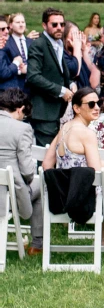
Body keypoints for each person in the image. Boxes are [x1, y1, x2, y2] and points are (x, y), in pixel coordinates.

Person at [42, 87, 104, 256]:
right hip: (86, 196)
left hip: (64, 194)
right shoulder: (86, 133)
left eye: (98, 103)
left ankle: (103, 241)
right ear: (76, 108)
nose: (97, 108)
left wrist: (64, 180)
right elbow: (96, 172)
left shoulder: (64, 128)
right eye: (91, 104)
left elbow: (47, 165)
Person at [0, 88, 43, 255]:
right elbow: (26, 171)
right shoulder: (22, 129)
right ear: (19, 109)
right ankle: (37, 244)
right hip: (9, 194)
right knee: (40, 185)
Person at [26, 8, 73, 147]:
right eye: (54, 24)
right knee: (47, 156)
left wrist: (69, 84)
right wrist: (62, 91)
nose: (59, 28)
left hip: (57, 110)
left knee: (54, 154)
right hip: (43, 111)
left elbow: (56, 73)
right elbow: (33, 76)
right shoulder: (38, 44)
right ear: (44, 25)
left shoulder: (58, 44)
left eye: (62, 24)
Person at [0, 12, 33, 90]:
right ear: (11, 25)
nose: (6, 31)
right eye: (18, 22)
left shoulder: (32, 42)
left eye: (23, 22)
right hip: (11, 89)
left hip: (31, 87)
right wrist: (16, 64)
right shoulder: (6, 44)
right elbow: (3, 72)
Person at [63, 22, 99, 90]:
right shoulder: (63, 53)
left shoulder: (76, 51)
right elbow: (76, 72)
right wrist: (77, 47)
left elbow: (90, 73)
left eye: (78, 34)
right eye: (74, 34)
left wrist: (84, 51)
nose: (77, 37)